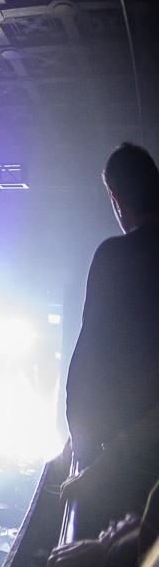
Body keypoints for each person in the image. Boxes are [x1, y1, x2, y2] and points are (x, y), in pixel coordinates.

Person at [63, 143, 159, 538]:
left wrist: (86, 451)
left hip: (125, 473)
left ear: (116, 200)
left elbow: (88, 364)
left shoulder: (114, 256)